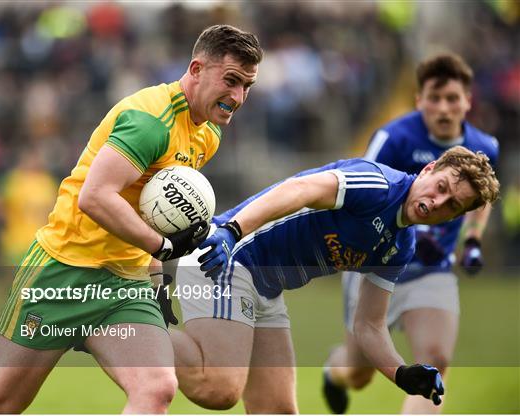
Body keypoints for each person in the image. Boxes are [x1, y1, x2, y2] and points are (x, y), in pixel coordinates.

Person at [0, 24, 262, 414]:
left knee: (157, 388)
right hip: (63, 272)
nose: (238, 96)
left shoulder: (208, 133)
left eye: (247, 86)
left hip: (124, 285)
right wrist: (162, 246)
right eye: (231, 80)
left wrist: (158, 282)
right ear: (196, 69)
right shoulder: (151, 121)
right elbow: (94, 198)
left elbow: (151, 213)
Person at [170, 146, 499, 413]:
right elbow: (299, 189)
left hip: (264, 289)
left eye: (451, 205)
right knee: (218, 389)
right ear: (428, 170)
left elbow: (369, 325)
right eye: (441, 187)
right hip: (229, 257)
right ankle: (131, 319)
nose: (437, 202)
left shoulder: (401, 246)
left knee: (278, 411)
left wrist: (401, 373)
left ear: (454, 218)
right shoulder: (378, 186)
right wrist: (231, 229)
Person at [323, 53, 499, 414]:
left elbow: (482, 200)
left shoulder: (486, 148)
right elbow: (361, 189)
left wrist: (473, 239)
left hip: (432, 272)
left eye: (453, 98)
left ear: (468, 101)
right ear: (419, 100)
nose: (444, 107)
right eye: (434, 98)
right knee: (358, 374)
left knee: (435, 361)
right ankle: (332, 372)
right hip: (374, 266)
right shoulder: (394, 138)